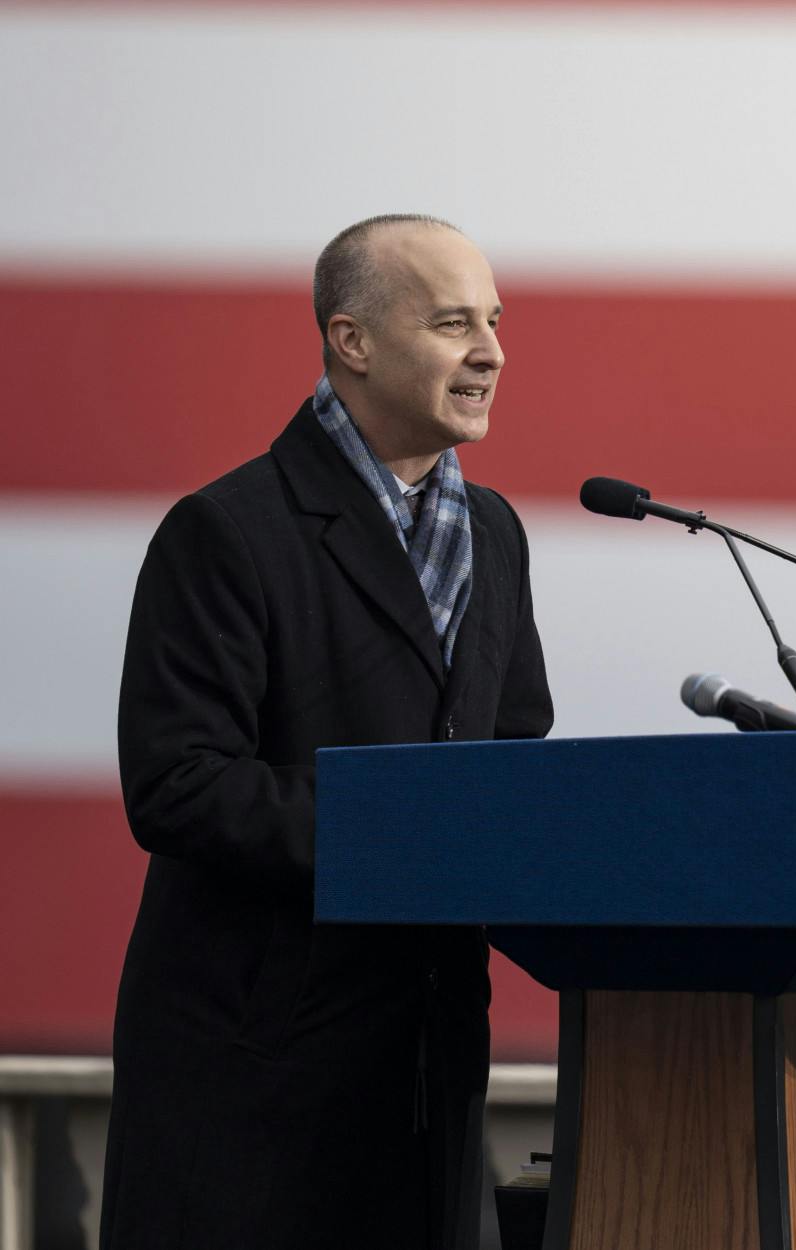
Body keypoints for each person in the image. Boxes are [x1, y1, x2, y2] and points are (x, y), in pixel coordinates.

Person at [100, 214, 554, 1249]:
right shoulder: (226, 530)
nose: (490, 351)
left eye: (493, 320)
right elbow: (176, 783)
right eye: (451, 322)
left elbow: (513, 749)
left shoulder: (494, 532)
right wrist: (403, 832)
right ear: (351, 341)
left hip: (431, 1064)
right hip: (258, 1079)